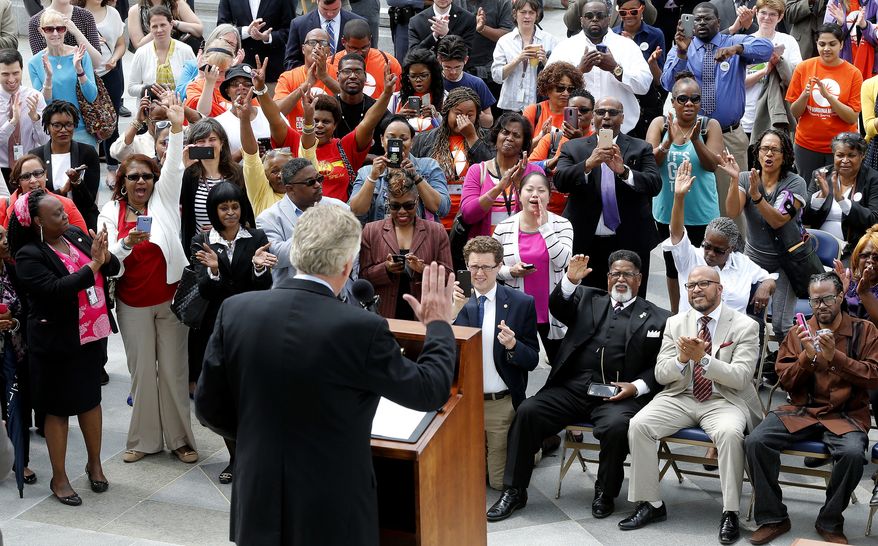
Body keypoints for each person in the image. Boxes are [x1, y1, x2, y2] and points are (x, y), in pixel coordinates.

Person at [196, 205, 457, 545]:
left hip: (259, 497)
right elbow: (429, 390)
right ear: (348, 264)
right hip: (332, 508)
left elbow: (208, 407)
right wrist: (438, 325)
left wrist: (260, 440)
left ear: (297, 251)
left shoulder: (237, 311)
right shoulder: (361, 328)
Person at [486, 250, 670, 521]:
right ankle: (514, 490)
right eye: (616, 273)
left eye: (628, 274)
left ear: (639, 279)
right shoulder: (587, 298)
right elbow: (558, 306)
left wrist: (637, 387)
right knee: (528, 411)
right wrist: (570, 281)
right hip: (573, 387)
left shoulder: (659, 317)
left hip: (618, 393)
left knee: (617, 427)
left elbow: (659, 367)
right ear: (607, 278)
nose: (621, 279)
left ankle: (605, 492)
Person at [621, 266, 762, 545]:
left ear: (720, 289)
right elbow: (661, 374)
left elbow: (741, 377)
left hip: (724, 399)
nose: (696, 289)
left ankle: (730, 511)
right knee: (639, 425)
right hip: (680, 396)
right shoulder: (676, 323)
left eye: (704, 283)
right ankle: (651, 504)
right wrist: (682, 361)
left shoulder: (745, 326)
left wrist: (705, 359)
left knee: (731, 434)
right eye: (690, 285)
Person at [97, 93, 198, 465]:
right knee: (141, 376)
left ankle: (182, 441)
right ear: (123, 182)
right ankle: (143, 439)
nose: (141, 181)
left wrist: (175, 125)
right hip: (132, 305)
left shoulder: (165, 198)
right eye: (134, 177)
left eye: (146, 176)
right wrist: (126, 244)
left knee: (173, 372)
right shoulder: (110, 212)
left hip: (170, 302)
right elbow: (107, 259)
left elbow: (173, 164)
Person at [745, 272, 878, 545]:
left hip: (846, 414)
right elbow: (783, 379)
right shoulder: (799, 332)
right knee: (756, 441)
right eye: (815, 300)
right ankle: (773, 518)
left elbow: (874, 376)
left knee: (853, 453)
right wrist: (807, 357)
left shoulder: (865, 330)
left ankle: (829, 520)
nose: (821, 306)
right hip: (801, 410)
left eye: (828, 298)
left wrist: (835, 358)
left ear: (841, 297)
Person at [10, 189, 119, 506]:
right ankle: (59, 478)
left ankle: (94, 464)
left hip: (89, 335)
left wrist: (105, 257)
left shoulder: (73, 234)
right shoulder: (29, 255)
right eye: (56, 213)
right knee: (57, 410)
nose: (65, 216)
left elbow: (108, 269)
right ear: (38, 223)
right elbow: (56, 290)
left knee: (90, 400)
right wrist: (94, 266)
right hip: (55, 342)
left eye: (63, 209)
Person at [189, 182, 275, 484]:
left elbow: (261, 288)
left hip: (252, 325)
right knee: (224, 394)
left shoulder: (257, 238)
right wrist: (216, 270)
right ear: (214, 211)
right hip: (217, 326)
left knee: (251, 394)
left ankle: (252, 455)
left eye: (235, 207)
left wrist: (258, 269)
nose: (230, 213)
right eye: (223, 208)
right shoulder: (202, 240)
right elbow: (206, 290)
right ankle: (235, 458)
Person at [662, 2, 773, 217]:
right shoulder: (683, 47)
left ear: (718, 22)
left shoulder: (732, 42)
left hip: (728, 135)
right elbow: (667, 83)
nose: (702, 23)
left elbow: (766, 49)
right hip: (692, 137)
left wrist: (736, 50)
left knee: (732, 202)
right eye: (697, 19)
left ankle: (736, 247)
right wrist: (682, 54)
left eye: (707, 18)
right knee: (693, 199)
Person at [451, 235, 539, 492]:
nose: (478, 274)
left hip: (499, 403)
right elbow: (436, 346)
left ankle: (534, 448)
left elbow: (532, 359)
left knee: (498, 482)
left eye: (486, 267)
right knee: (468, 480)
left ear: (499, 266)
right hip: (464, 403)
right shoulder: (453, 299)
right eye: (473, 266)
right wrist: (451, 312)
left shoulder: (521, 303)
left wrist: (513, 346)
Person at [553, 96, 661, 296]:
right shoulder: (573, 147)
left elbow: (654, 185)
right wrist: (588, 164)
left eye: (613, 113)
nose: (606, 117)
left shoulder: (641, 148)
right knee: (585, 302)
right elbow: (560, 181)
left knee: (629, 299)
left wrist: (624, 172)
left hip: (629, 239)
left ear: (622, 118)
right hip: (586, 240)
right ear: (593, 117)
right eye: (601, 112)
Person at [722, 129, 808, 347]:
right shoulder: (745, 177)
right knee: (749, 320)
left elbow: (778, 220)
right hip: (754, 259)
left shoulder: (794, 183)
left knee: (780, 324)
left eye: (774, 150)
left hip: (786, 261)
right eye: (764, 149)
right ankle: (756, 363)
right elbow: (732, 212)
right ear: (757, 152)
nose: (768, 154)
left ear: (785, 155)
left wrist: (757, 197)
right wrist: (733, 181)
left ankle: (786, 368)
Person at [646, 74, 723, 313]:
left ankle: (703, 312)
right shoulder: (660, 124)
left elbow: (712, 165)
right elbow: (651, 161)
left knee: (703, 268)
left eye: (695, 99)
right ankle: (677, 312)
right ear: (673, 101)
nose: (689, 104)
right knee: (672, 267)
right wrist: (668, 141)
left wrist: (697, 140)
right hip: (668, 213)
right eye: (682, 99)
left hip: (701, 212)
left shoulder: (710, 125)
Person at [664, 160, 776, 315]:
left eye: (718, 250)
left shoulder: (741, 263)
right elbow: (676, 233)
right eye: (707, 246)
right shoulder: (690, 258)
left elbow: (769, 277)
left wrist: (766, 285)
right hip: (693, 330)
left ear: (730, 248)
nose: (710, 253)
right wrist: (679, 196)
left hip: (734, 333)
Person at [492, 172, 573, 362]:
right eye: (529, 190)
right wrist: (510, 271)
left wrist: (544, 227)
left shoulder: (563, 224)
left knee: (559, 364)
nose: (535, 195)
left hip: (552, 309)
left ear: (549, 196)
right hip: (517, 309)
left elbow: (563, 262)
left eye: (541, 190)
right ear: (520, 195)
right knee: (517, 361)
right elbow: (492, 267)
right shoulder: (504, 227)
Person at [546, 0, 652, 135]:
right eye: (589, 16)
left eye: (600, 16)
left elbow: (644, 86)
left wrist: (615, 69)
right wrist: (578, 71)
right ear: (581, 20)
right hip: (575, 131)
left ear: (608, 19)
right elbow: (548, 86)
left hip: (622, 131)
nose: (594, 19)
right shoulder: (565, 47)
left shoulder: (627, 46)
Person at [359, 170, 452, 319]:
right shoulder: (371, 231)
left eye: (408, 206)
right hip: (383, 315)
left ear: (417, 201)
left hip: (424, 315)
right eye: (395, 206)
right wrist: (386, 269)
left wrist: (422, 269)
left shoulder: (436, 231)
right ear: (388, 202)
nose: (402, 212)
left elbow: (448, 277)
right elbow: (362, 277)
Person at [256, 158, 351, 286]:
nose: (317, 185)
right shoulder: (269, 218)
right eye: (310, 182)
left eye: (319, 179)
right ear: (290, 189)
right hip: (293, 297)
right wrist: (317, 229)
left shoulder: (340, 208)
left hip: (335, 292)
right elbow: (276, 257)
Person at [786, 23, 863, 179]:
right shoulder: (803, 68)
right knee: (808, 193)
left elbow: (852, 117)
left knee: (839, 194)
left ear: (841, 44)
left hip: (842, 149)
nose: (826, 48)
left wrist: (828, 97)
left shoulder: (853, 73)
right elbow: (794, 112)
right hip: (807, 146)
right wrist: (805, 95)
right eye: (822, 44)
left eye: (832, 44)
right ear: (816, 44)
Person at [411, 87, 494, 229]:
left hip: (471, 219)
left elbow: (493, 171)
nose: (463, 119)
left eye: (470, 115)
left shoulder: (487, 139)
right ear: (447, 111)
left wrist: (472, 138)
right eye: (458, 113)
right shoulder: (425, 140)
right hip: (434, 219)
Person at [309, 67, 396, 202]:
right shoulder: (297, 144)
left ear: (335, 126)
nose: (319, 125)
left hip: (340, 219)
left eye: (325, 122)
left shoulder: (343, 147)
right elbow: (275, 120)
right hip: (304, 220)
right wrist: (262, 89)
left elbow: (367, 123)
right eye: (315, 121)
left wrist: (386, 93)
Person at [349, 115, 450, 224]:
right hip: (380, 238)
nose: (397, 143)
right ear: (382, 140)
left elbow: (442, 208)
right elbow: (355, 212)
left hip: (420, 237)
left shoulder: (429, 166)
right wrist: (372, 178)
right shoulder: (366, 172)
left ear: (412, 142)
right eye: (391, 138)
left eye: (403, 138)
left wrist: (416, 177)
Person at [459, 113, 542, 239]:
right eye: (505, 132)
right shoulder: (477, 171)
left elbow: (538, 215)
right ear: (496, 136)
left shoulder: (534, 173)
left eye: (516, 135)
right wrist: (499, 188)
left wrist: (519, 186)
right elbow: (468, 215)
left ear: (523, 144)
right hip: (484, 252)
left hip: (521, 250)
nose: (509, 138)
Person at [28, 9, 99, 147]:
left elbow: (92, 96)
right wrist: (48, 78)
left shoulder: (80, 55)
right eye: (49, 29)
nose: (55, 33)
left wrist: (79, 70)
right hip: (54, 132)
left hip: (82, 129)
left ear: (65, 30)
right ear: (41, 31)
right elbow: (43, 104)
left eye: (60, 29)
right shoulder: (35, 62)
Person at [180, 119, 250, 259]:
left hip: (235, 250)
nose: (207, 145)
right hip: (201, 251)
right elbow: (174, 202)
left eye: (212, 139)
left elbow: (248, 215)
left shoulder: (238, 173)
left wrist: (221, 228)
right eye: (201, 140)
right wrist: (182, 168)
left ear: (221, 143)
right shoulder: (188, 174)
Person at [75, 0, 126, 189]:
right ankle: (85, 165)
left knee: (111, 122)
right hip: (84, 74)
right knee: (86, 121)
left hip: (110, 73)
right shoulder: (77, 14)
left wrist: (114, 58)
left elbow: (121, 44)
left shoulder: (112, 13)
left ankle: (113, 168)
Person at [0, 223, 36, 486]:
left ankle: (20, 462)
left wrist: (12, 323)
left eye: (4, 235)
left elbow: (25, 308)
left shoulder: (12, 269)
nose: (5, 241)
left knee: (18, 405)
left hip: (15, 350)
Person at [803, 132, 878, 257]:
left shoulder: (873, 179)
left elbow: (874, 221)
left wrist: (842, 201)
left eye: (851, 155)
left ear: (862, 155)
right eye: (840, 155)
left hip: (855, 250)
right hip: (818, 247)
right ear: (834, 155)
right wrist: (820, 197)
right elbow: (805, 218)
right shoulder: (821, 175)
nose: (845, 160)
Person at [28, 100, 100, 230]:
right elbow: (33, 200)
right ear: (48, 127)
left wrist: (77, 182)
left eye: (68, 125)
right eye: (57, 125)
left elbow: (90, 201)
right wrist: (61, 192)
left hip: (83, 222)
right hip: (48, 225)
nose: (63, 130)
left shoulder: (87, 153)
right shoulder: (36, 156)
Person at [741, 0, 802, 139]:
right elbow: (738, 82)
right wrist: (765, 71)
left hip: (777, 113)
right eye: (763, 13)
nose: (767, 18)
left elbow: (797, 80)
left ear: (780, 17)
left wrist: (780, 64)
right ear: (756, 13)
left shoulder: (789, 41)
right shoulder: (745, 41)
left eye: (772, 14)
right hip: (747, 115)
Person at [492, 0, 559, 114]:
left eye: (531, 12)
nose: (527, 17)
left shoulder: (550, 40)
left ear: (537, 14)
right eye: (523, 12)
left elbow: (559, 76)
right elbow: (497, 76)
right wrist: (518, 59)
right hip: (511, 104)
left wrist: (545, 61)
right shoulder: (505, 41)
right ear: (515, 13)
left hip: (539, 104)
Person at [612, 0, 666, 139]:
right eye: (623, 12)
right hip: (621, 98)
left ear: (642, 9)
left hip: (647, 104)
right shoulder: (611, 36)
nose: (628, 15)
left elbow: (659, 81)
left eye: (633, 11)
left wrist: (652, 63)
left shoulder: (656, 35)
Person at [273, 28, 341, 130]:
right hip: (298, 140)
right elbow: (276, 113)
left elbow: (351, 101)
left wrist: (324, 77)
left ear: (329, 50)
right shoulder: (288, 77)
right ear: (303, 49)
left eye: (323, 43)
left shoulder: (339, 73)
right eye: (312, 42)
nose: (317, 47)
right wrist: (305, 85)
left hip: (331, 139)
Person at [0, 154, 88, 231]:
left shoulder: (66, 204)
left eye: (38, 173)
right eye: (26, 176)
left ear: (45, 175)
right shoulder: (3, 207)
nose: (33, 180)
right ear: (18, 181)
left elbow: (81, 242)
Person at [0, 49, 49, 185]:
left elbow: (45, 141)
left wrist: (36, 119)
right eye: (5, 74)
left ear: (22, 70)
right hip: (2, 168)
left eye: (15, 73)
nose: (11, 79)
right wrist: (12, 122)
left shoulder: (34, 97)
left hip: (30, 168)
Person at [331, 53, 393, 158]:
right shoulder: (328, 107)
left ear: (365, 77)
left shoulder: (376, 108)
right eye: (347, 71)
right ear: (337, 76)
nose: (352, 76)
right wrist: (366, 157)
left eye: (358, 71)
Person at [216, 0, 292, 83]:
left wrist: (268, 37)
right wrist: (246, 31)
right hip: (237, 72)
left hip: (272, 73)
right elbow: (222, 28)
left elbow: (290, 29)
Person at [127, 6, 195, 98]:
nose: (159, 30)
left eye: (163, 25)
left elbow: (196, 81)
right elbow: (131, 88)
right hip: (151, 109)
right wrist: (149, 89)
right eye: (154, 26)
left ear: (171, 24)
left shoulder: (186, 50)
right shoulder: (141, 53)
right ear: (149, 28)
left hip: (180, 108)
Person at [329, 19, 402, 100]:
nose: (360, 53)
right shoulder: (329, 64)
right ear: (343, 42)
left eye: (364, 47)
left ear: (370, 40)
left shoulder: (389, 62)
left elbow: (398, 99)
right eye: (354, 48)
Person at [283, 0, 364, 70]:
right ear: (317, 1)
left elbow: (367, 57)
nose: (330, 13)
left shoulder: (359, 23)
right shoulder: (299, 24)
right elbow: (290, 61)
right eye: (325, 9)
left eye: (335, 9)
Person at [437, 35, 495, 129]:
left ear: (466, 60)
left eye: (457, 67)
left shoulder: (477, 83)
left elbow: (489, 122)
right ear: (439, 60)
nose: (453, 72)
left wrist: (472, 111)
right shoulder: (433, 82)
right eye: (447, 67)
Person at [522, 62, 584, 146]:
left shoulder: (578, 113)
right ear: (548, 89)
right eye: (560, 88)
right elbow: (522, 148)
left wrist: (577, 137)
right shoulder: (533, 110)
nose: (566, 93)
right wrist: (542, 136)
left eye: (571, 89)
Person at [29, 0, 102, 69]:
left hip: (84, 79)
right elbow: (40, 64)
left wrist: (76, 32)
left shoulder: (86, 16)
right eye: (50, 29)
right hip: (52, 79)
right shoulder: (36, 22)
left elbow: (96, 63)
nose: (55, 33)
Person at [387, 48, 443, 133]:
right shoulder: (395, 99)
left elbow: (452, 130)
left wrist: (437, 116)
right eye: (413, 76)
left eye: (423, 75)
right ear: (407, 77)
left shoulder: (445, 98)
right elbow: (382, 128)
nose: (418, 80)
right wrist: (397, 117)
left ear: (433, 75)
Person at [407, 0, 476, 67]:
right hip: (428, 73)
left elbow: (467, 54)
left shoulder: (468, 19)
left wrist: (447, 34)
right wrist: (434, 36)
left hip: (454, 73)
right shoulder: (416, 21)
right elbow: (413, 56)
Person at [126, 0, 202, 53]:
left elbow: (199, 29)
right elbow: (138, 46)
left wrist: (176, 24)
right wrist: (158, 30)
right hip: (152, 60)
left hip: (179, 56)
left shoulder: (178, 4)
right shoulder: (135, 10)